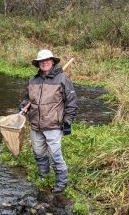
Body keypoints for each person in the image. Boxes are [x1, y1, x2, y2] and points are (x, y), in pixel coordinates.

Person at [19, 49, 78, 193]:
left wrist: (68, 121)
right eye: (41, 61)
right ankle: (43, 176)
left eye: (47, 60)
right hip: (35, 126)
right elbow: (27, 100)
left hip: (53, 125)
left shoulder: (63, 79)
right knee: (39, 153)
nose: (44, 63)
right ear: (38, 64)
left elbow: (72, 102)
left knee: (55, 156)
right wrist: (22, 109)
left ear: (52, 61)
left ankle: (61, 183)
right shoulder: (33, 80)